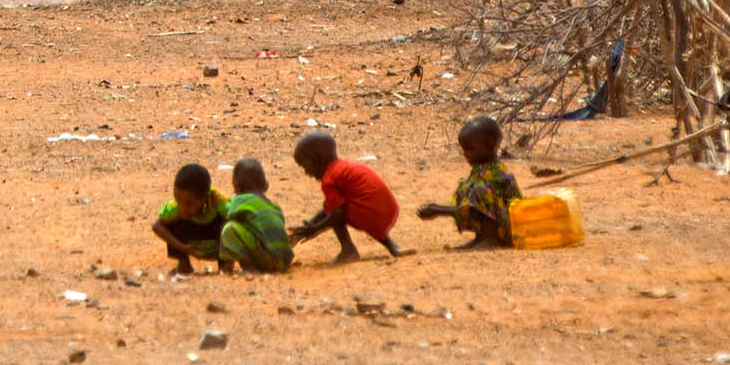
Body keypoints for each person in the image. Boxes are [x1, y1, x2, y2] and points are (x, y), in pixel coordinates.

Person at [289, 130, 404, 263]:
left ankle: (348, 250)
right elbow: (330, 208)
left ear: (315, 160)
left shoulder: (329, 180)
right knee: (340, 208)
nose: (306, 173)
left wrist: (314, 228)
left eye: (305, 166)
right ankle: (393, 246)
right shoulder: (343, 168)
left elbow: (336, 214)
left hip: (370, 213)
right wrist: (311, 225)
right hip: (389, 210)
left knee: (337, 214)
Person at [417, 116, 521, 248]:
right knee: (465, 188)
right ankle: (481, 237)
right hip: (502, 221)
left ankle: (491, 239)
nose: (465, 154)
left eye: (469, 149)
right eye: (464, 149)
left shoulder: (496, 173)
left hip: (510, 228)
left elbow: (472, 207)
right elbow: (472, 207)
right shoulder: (482, 169)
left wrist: (440, 210)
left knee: (478, 189)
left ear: (489, 145)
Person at [217, 159, 294, 274]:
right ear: (266, 185)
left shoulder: (240, 200)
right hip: (285, 261)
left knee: (229, 228)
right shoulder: (274, 207)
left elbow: (227, 215)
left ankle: (244, 267)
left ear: (237, 187)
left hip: (267, 260)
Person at [152, 163, 228, 275]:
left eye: (189, 204)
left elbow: (237, 217)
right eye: (179, 202)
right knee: (172, 223)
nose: (183, 209)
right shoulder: (175, 207)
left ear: (205, 198)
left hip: (217, 247)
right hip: (189, 247)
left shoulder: (218, 201)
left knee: (228, 224)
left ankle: (225, 265)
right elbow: (157, 226)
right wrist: (182, 247)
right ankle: (184, 265)